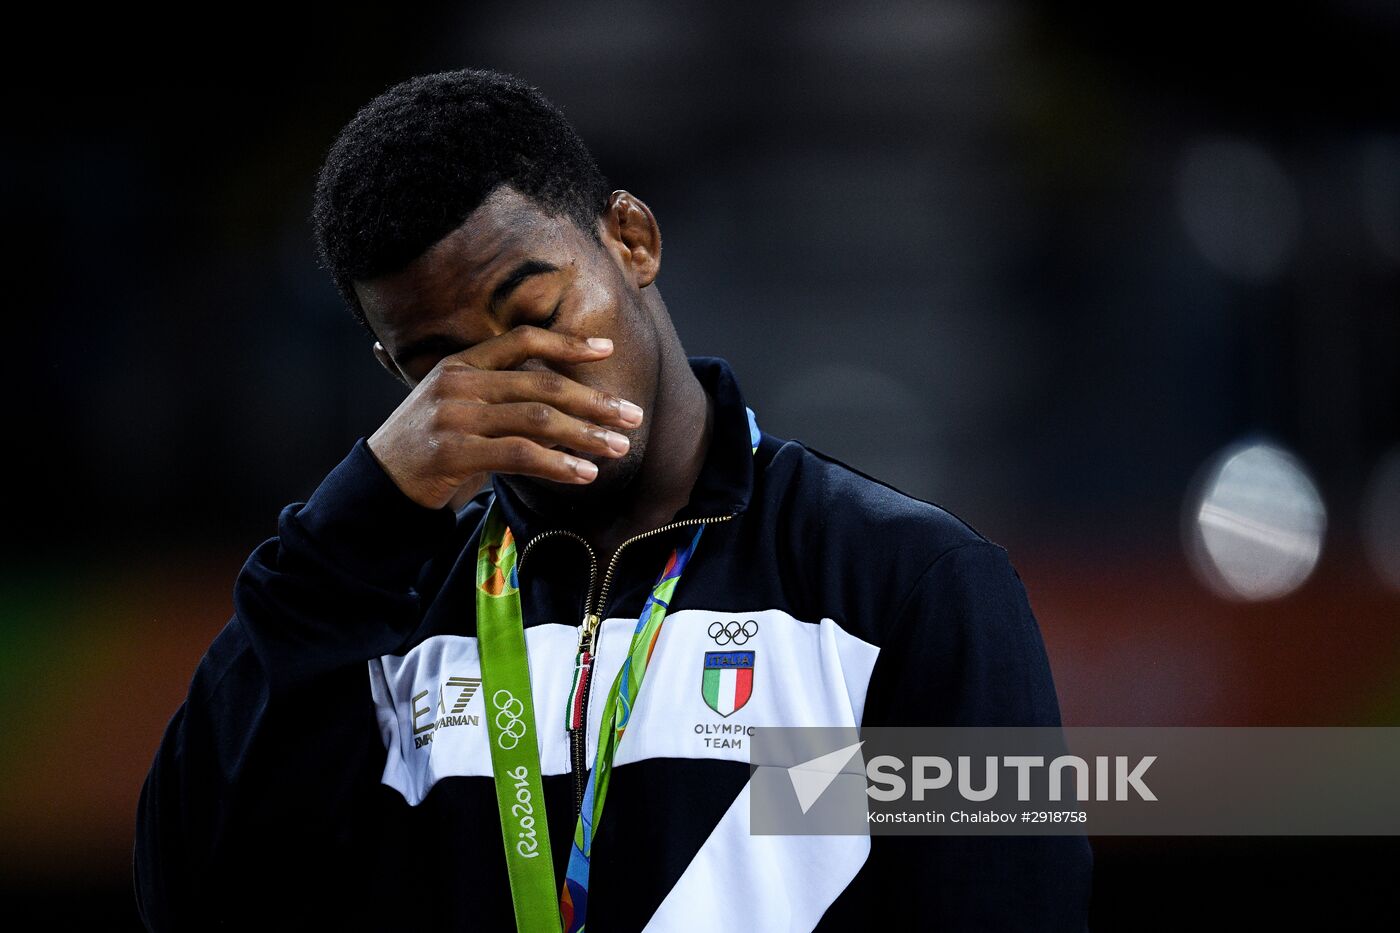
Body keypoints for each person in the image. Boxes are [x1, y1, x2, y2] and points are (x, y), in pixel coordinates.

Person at [133, 67, 1092, 931]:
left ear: (631, 239)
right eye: (444, 367)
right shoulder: (373, 623)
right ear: (397, 376)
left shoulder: (907, 584)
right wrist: (355, 519)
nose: (517, 378)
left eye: (537, 313)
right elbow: (194, 899)